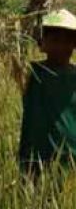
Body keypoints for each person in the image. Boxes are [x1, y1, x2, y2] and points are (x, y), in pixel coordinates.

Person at [18, 9, 76, 178]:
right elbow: (15, 46)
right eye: (55, 40)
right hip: (35, 161)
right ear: (42, 43)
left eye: (68, 40)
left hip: (72, 160)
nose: (61, 46)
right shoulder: (30, 73)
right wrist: (34, 7)